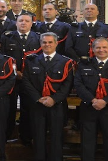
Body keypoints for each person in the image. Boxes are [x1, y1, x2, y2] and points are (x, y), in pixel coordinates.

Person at [22, 32, 74, 161]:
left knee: (57, 137)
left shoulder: (66, 62)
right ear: (40, 44)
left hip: (57, 105)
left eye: (50, 42)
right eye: (44, 42)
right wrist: (38, 98)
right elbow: (26, 81)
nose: (47, 45)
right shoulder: (31, 60)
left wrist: (54, 99)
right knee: (38, 136)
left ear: (56, 43)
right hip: (37, 104)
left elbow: (68, 84)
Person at [74, 38, 108, 161]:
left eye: (104, 47)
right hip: (89, 107)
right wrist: (93, 100)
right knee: (87, 142)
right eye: (98, 47)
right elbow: (78, 84)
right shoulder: (83, 64)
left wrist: (105, 101)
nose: (101, 50)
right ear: (93, 49)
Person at [0, 14, 40, 141]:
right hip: (11, 79)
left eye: (27, 21)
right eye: (21, 21)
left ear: (31, 23)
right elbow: (2, 57)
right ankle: (7, 136)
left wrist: (26, 74)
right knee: (9, 108)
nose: (23, 23)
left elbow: (39, 59)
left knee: (28, 108)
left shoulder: (38, 38)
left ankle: (26, 137)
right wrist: (14, 72)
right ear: (16, 23)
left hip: (30, 80)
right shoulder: (7, 37)